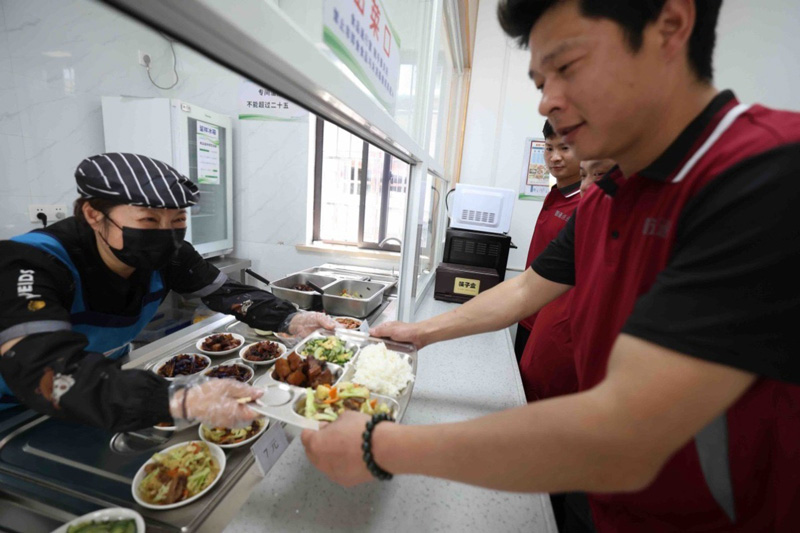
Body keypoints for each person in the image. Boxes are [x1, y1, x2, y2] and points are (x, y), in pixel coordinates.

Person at [302, 1, 800, 531]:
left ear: (670, 26)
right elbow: (524, 292)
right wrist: (418, 333)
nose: (548, 100)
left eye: (567, 67)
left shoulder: (765, 173)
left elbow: (626, 436)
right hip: (609, 501)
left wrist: (380, 445)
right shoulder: (608, 195)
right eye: (541, 80)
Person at [0, 153, 336, 431]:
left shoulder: (170, 255)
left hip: (105, 387)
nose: (166, 234)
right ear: (92, 213)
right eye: (148, 220)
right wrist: (180, 399)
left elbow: (226, 292)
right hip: (16, 408)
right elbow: (40, 366)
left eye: (177, 220)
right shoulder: (31, 263)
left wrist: (292, 318)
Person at [514, 119, 581, 366]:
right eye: (549, 148)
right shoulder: (555, 194)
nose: (554, 157)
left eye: (565, 148)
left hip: (554, 327)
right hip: (527, 313)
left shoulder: (584, 205)